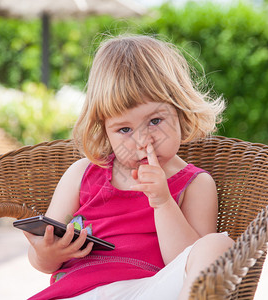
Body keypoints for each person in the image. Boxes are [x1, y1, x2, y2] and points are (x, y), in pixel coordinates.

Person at [23, 35, 235, 300]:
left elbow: (188, 263)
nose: (143, 141)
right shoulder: (81, 174)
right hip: (76, 292)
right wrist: (47, 254)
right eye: (124, 129)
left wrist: (163, 202)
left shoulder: (195, 184)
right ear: (104, 129)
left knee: (216, 246)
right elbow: (41, 257)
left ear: (181, 111)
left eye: (155, 121)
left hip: (146, 290)